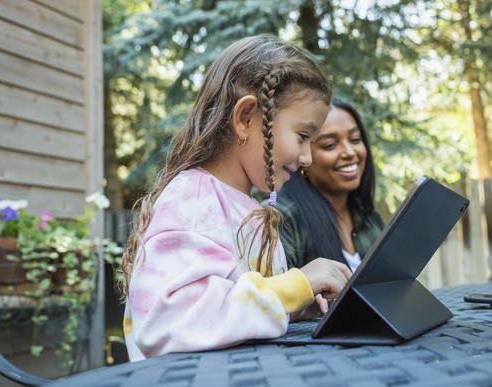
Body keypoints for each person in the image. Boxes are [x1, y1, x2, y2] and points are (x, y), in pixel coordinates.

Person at [120, 35, 352, 361]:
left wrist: (298, 304)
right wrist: (294, 286)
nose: (307, 159)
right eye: (302, 137)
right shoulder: (194, 199)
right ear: (245, 118)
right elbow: (167, 324)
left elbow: (234, 314)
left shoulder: (248, 209)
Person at [277, 97, 385, 272]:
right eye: (330, 145)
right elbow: (272, 295)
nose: (350, 152)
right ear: (303, 157)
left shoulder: (369, 218)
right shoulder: (282, 220)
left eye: (355, 139)